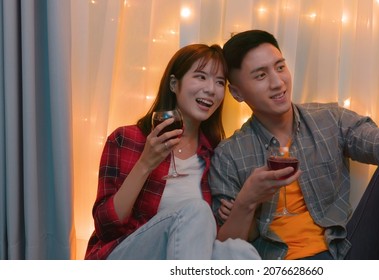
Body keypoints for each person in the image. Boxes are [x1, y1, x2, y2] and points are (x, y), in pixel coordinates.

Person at [209, 30, 379, 260]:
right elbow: (227, 251)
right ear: (237, 93)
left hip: (345, 253)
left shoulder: (329, 119)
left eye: (280, 67)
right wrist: (248, 199)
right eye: (261, 75)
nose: (277, 82)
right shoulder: (229, 155)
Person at [85, 43, 260, 260]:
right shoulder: (127, 139)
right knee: (197, 210)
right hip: (124, 256)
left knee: (239, 252)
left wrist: (238, 208)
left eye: (219, 82)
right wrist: (146, 163)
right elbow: (106, 227)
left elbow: (212, 237)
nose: (211, 89)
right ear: (174, 84)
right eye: (201, 76)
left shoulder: (216, 155)